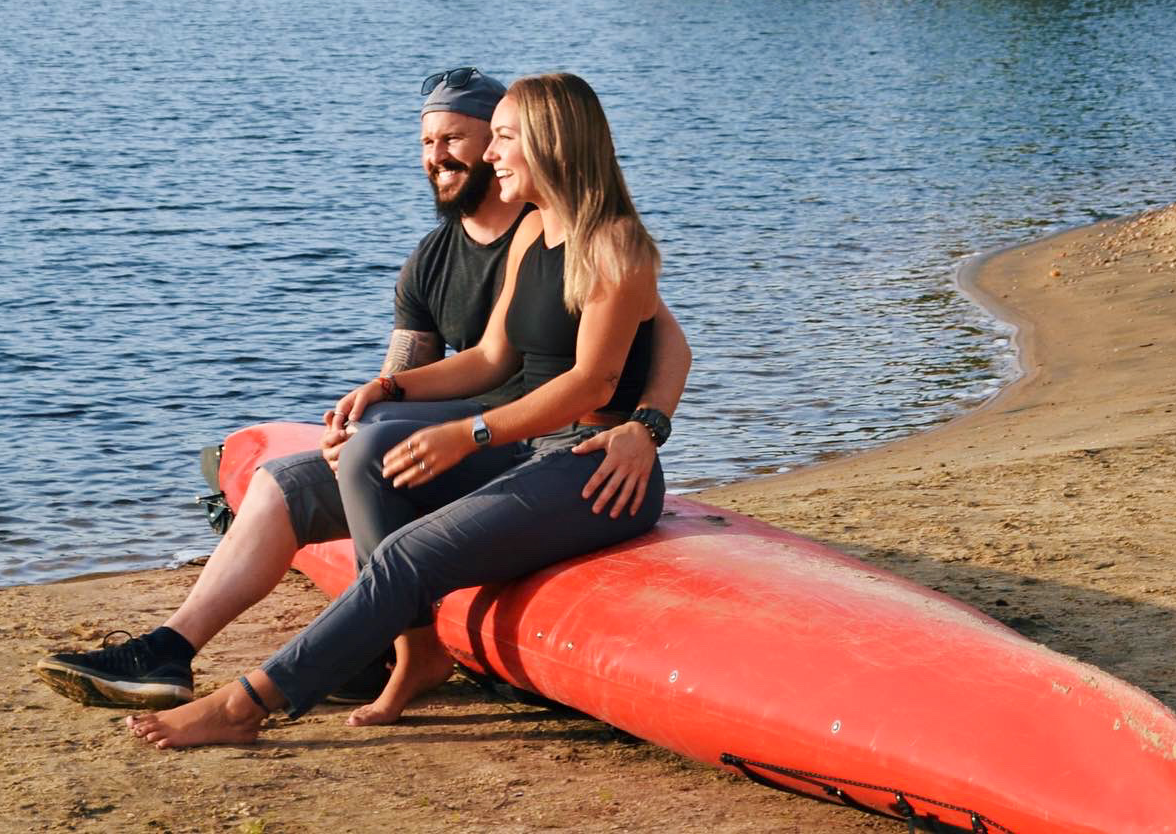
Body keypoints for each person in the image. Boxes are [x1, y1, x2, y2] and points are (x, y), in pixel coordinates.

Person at [38, 66, 689, 712]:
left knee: (405, 547)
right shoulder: (467, 253)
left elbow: (630, 362)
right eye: (430, 142)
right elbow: (489, 359)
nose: (459, 155)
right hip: (507, 442)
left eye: (485, 138)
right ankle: (182, 649)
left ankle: (260, 699)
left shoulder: (602, 239)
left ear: (546, 141)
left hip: (577, 455)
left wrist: (645, 426)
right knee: (324, 468)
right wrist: (380, 396)